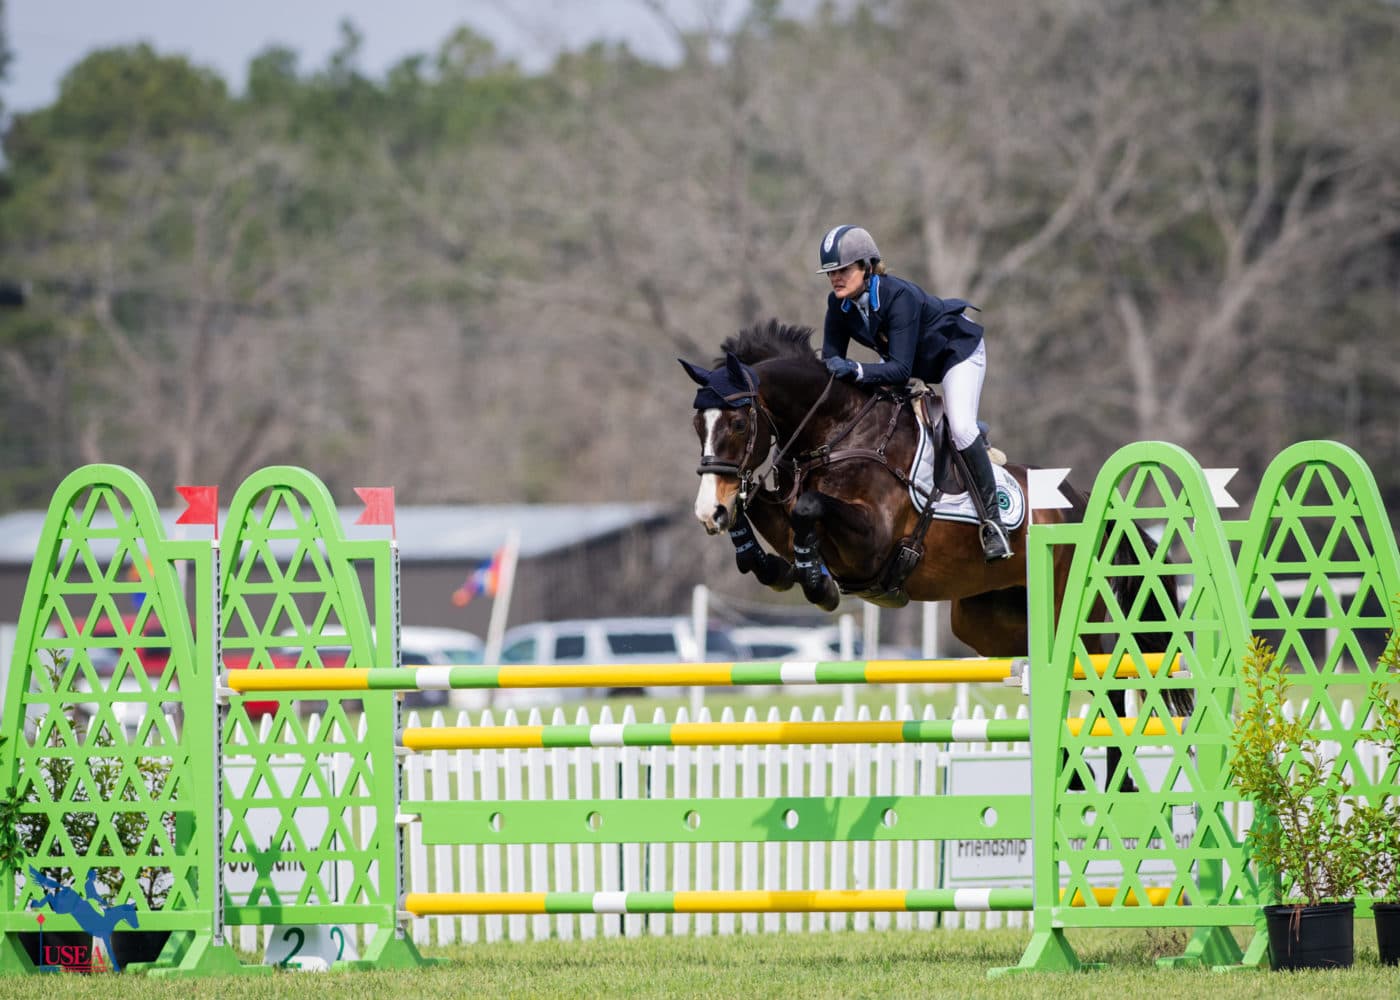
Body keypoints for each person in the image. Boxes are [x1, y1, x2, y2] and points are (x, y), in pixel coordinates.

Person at [816, 224, 1012, 561]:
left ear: (866, 266)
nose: (836, 277)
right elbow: (831, 359)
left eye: (843, 269)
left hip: (956, 354)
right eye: (831, 271)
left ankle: (993, 525)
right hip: (913, 363)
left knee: (961, 428)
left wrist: (858, 370)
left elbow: (900, 369)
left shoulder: (898, 297)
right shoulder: (840, 306)